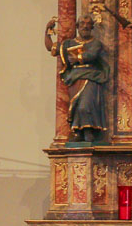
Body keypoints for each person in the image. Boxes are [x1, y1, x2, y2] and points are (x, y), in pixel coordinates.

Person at [44, 13, 108, 142]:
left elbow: (92, 55)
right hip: (74, 77)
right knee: (75, 105)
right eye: (82, 24)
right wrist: (48, 31)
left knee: (86, 104)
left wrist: (78, 58)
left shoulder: (95, 43)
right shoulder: (69, 43)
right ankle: (78, 131)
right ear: (77, 26)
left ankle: (89, 130)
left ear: (92, 27)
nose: (85, 26)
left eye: (88, 24)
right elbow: (51, 48)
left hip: (91, 77)